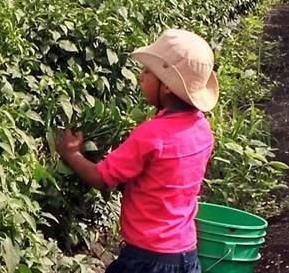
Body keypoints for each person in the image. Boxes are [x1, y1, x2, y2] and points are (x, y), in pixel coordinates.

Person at [55, 29, 218, 273]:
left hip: (147, 259)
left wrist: (72, 154)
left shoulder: (151, 134)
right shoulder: (202, 129)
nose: (141, 77)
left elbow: (102, 178)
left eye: (147, 72)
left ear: (167, 87)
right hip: (186, 256)